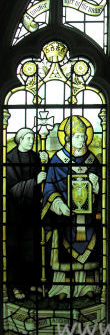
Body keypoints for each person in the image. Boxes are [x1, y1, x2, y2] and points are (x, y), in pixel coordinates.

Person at [42, 115, 101, 300]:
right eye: (77, 136)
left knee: (89, 248)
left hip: (88, 216)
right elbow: (49, 186)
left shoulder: (92, 160)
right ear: (67, 138)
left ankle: (87, 286)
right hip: (64, 216)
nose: (81, 140)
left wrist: (96, 184)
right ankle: (63, 288)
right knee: (63, 250)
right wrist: (59, 205)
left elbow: (104, 189)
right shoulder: (57, 160)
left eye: (83, 136)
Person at [6, 128, 48, 300]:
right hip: (15, 214)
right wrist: (34, 182)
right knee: (17, 250)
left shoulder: (34, 157)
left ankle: (32, 283)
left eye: (33, 138)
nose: (32, 141)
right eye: (28, 138)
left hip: (32, 212)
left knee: (33, 248)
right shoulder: (10, 159)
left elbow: (44, 178)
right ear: (20, 139)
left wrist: (46, 160)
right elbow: (13, 189)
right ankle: (16, 287)